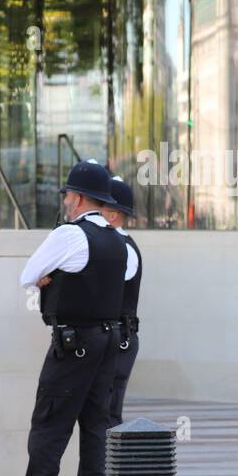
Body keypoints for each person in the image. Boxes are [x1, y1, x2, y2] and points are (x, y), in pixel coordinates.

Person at [0, 160, 137, 476]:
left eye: (68, 194)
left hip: (74, 343)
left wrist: (48, 279)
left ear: (81, 198)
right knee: (95, 425)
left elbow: (28, 276)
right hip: (108, 341)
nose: (66, 200)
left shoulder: (70, 235)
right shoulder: (119, 242)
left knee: (50, 422)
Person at [103, 175, 142, 427]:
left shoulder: (122, 248)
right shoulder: (112, 244)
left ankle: (111, 468)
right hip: (113, 338)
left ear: (113, 214)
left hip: (120, 339)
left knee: (108, 414)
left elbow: (106, 290)